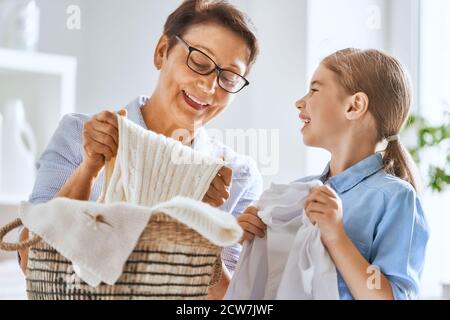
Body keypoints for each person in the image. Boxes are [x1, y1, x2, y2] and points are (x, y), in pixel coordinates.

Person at [18, 0, 263, 299]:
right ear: (162, 52)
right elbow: (31, 261)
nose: (209, 86)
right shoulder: (79, 136)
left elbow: (233, 303)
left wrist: (203, 230)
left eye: (228, 78)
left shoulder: (236, 176)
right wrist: (88, 171)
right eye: (199, 61)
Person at [238, 48, 429, 300]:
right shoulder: (296, 194)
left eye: (314, 90)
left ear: (354, 105)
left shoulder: (395, 198)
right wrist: (249, 239)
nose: (299, 101)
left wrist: (336, 237)